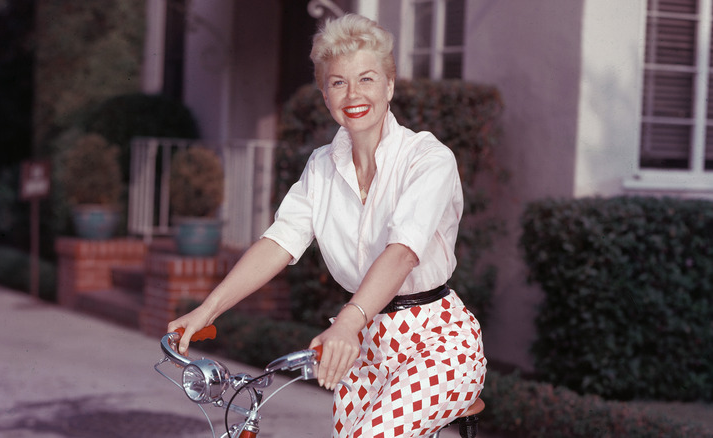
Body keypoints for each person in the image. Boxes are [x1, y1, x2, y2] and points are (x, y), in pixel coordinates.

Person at [168, 13, 486, 438]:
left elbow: (404, 251)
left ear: (390, 86)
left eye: (367, 79)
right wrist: (206, 310)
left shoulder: (428, 159)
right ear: (325, 95)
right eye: (338, 82)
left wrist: (347, 322)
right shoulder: (321, 166)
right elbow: (279, 242)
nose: (353, 94)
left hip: (439, 341)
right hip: (365, 345)